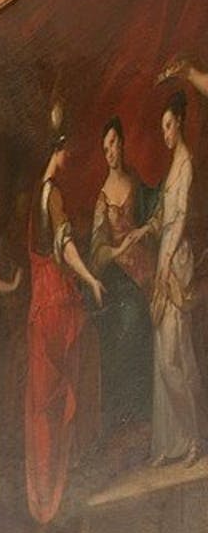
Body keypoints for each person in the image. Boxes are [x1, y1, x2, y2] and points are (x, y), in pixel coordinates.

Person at [25, 127, 106, 527]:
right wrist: (90, 279)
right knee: (62, 392)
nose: (71, 156)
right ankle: (59, 491)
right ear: (58, 150)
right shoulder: (52, 193)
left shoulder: (36, 198)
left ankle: (48, 494)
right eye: (68, 149)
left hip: (41, 308)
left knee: (46, 400)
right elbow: (66, 248)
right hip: (57, 304)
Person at [89, 116, 159, 434]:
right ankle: (130, 413)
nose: (111, 152)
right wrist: (117, 252)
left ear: (123, 143)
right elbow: (97, 251)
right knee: (130, 325)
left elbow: (153, 216)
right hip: (120, 275)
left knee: (153, 330)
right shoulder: (103, 198)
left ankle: (149, 412)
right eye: (106, 148)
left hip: (146, 267)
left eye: (114, 143)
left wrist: (143, 234)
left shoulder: (136, 183)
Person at [150, 89, 204, 465]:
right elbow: (165, 217)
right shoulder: (173, 165)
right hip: (164, 259)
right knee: (163, 353)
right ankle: (176, 441)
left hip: (177, 261)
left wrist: (167, 265)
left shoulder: (185, 164)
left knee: (177, 356)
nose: (165, 133)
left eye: (169, 126)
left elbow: (181, 219)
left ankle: (196, 438)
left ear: (180, 122)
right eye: (163, 128)